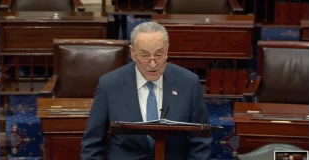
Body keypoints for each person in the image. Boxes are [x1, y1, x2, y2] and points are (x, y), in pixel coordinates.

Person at [81, 21, 212, 160]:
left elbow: (201, 142)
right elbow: (92, 145)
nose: (153, 63)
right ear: (133, 53)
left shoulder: (188, 83)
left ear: (167, 51)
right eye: (144, 56)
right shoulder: (110, 85)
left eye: (159, 54)